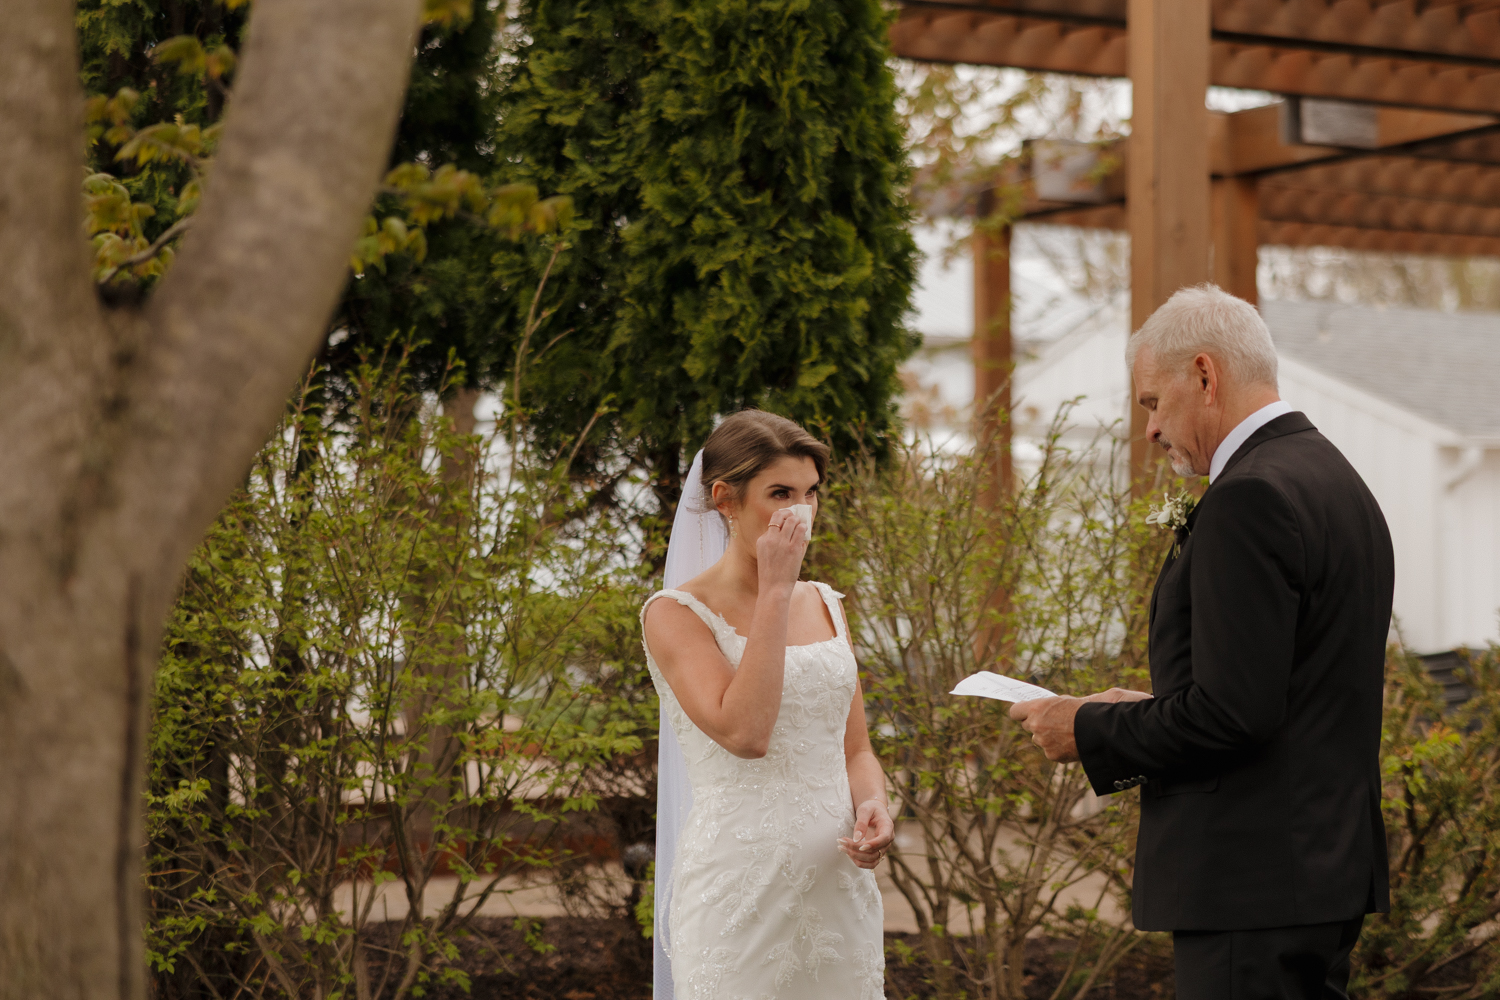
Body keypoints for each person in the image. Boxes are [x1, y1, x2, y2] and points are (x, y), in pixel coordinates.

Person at [1010, 284, 1394, 1000]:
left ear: (1206, 375)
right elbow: (1278, 688)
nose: (1150, 429)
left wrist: (1088, 727)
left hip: (1251, 880)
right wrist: (1150, 706)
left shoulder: (1249, 498)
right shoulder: (1336, 480)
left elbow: (1233, 715)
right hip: (1318, 869)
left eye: (1154, 401)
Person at [642, 409, 893, 1000]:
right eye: (781, 493)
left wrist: (875, 804)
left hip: (838, 893)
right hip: (739, 893)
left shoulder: (827, 602)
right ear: (726, 499)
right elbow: (746, 733)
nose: (801, 512)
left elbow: (855, 747)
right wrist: (777, 590)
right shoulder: (674, 614)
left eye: (811, 493)